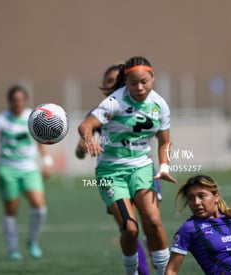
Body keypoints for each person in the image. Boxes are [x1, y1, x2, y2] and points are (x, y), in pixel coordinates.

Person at [78, 56, 177, 275]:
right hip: (111, 172)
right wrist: (89, 139)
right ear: (126, 82)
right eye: (133, 83)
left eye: (144, 81)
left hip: (142, 168)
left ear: (153, 77)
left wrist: (164, 167)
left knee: (153, 221)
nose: (140, 87)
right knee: (130, 228)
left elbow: (165, 141)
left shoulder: (159, 105)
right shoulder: (114, 102)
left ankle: (164, 272)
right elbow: (85, 124)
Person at [0, 85, 53, 260]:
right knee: (11, 210)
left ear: (26, 101)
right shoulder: (0, 120)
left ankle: (32, 241)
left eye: (21, 100)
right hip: (7, 169)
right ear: (9, 102)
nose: (18, 103)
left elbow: (41, 141)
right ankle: (13, 248)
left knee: (40, 208)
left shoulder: (34, 117)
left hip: (29, 168)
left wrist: (46, 161)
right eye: (15, 100)